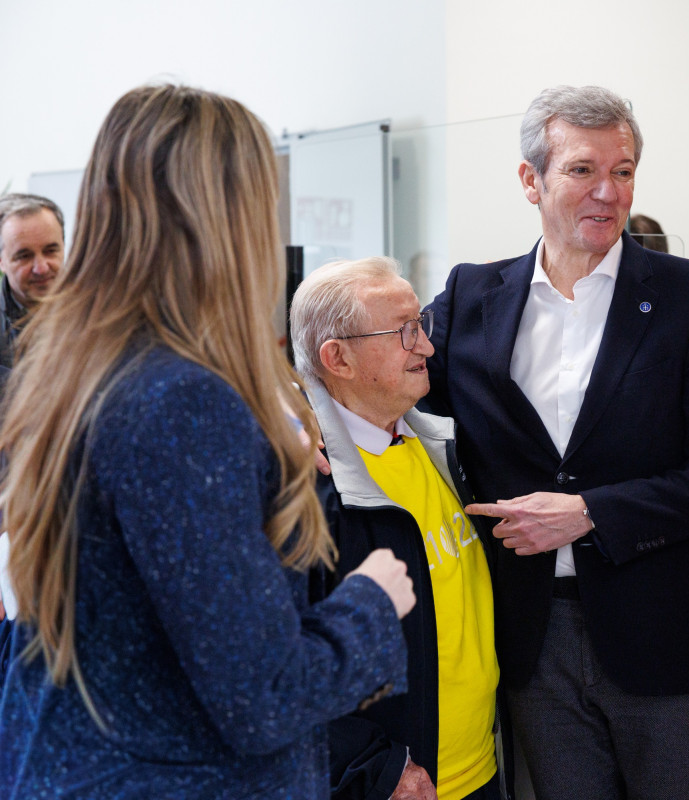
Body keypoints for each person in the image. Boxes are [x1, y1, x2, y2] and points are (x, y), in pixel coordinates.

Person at [0, 84, 416, 799]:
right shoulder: (181, 399)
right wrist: (371, 601)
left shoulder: (75, 372)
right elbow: (263, 697)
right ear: (226, 217)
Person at [424, 84, 689, 800]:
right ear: (531, 180)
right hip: (529, 639)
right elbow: (378, 381)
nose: (607, 192)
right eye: (582, 169)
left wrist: (592, 515)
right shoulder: (470, 298)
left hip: (668, 639)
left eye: (623, 170)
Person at [291, 257, 504, 800]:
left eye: (422, 325)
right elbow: (276, 662)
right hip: (397, 786)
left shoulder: (444, 443)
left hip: (482, 766)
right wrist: (374, 767)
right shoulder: (303, 486)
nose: (427, 347)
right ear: (336, 358)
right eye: (403, 332)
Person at [0, 193, 65, 366]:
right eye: (24, 256)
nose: (41, 268)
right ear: (1, 262)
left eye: (50, 251)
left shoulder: (100, 314)